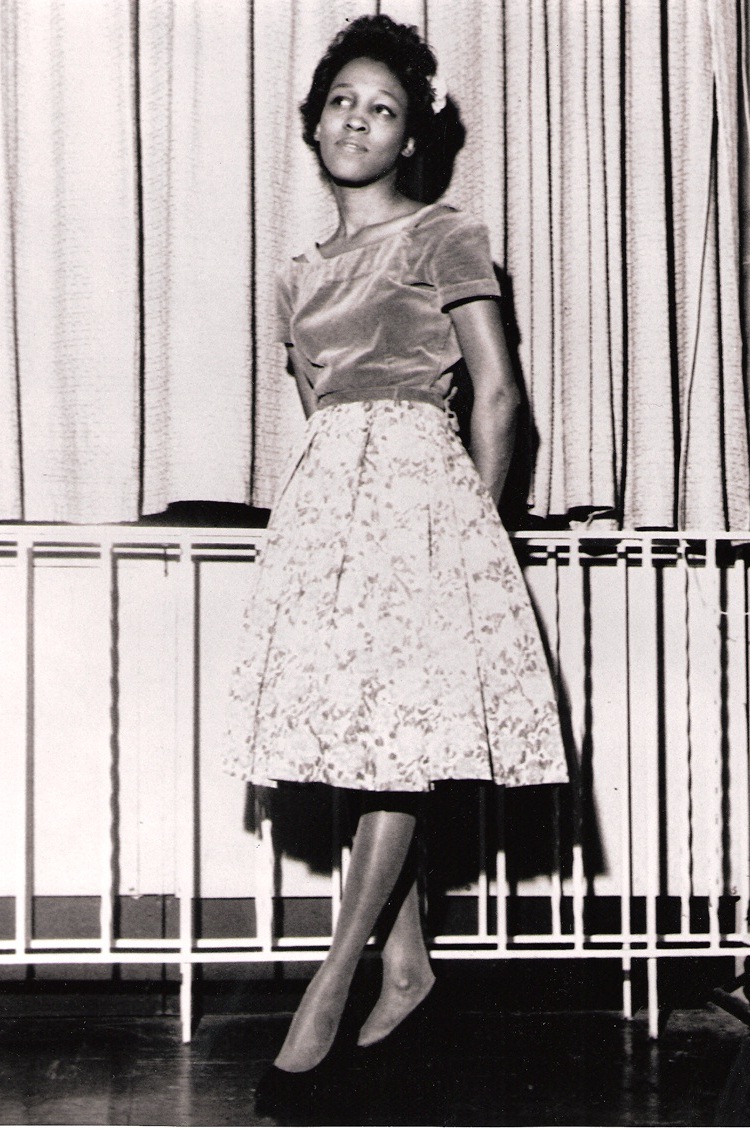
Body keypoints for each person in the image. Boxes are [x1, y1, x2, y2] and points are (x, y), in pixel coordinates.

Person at [223, 12, 568, 1119]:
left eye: (382, 108)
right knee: (363, 742)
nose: (358, 120)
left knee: (397, 749)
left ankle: (329, 987)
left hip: (425, 500)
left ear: (411, 137)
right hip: (331, 505)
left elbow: (499, 395)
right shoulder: (296, 277)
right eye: (342, 102)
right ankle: (408, 965)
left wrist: (475, 534)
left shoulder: (445, 235)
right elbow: (319, 408)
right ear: (315, 123)